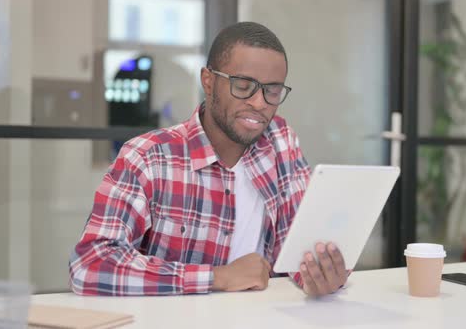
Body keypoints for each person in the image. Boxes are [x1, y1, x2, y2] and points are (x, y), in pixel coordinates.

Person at [69, 22, 348, 297]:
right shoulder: (147, 157)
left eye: (272, 91)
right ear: (208, 81)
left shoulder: (280, 140)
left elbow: (296, 247)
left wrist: (318, 273)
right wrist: (218, 277)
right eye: (243, 85)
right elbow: (89, 265)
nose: (260, 103)